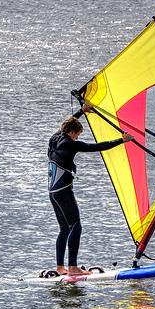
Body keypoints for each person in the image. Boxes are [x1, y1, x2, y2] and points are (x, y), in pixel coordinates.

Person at [47, 102, 133, 276]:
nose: (77, 138)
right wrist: (121, 140)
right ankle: (72, 267)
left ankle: (60, 267)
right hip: (63, 191)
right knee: (76, 226)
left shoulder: (55, 138)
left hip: (52, 192)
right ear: (72, 133)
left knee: (64, 228)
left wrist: (82, 111)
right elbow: (96, 147)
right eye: (77, 135)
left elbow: (68, 123)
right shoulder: (71, 144)